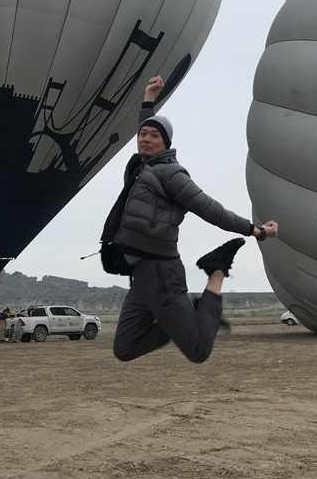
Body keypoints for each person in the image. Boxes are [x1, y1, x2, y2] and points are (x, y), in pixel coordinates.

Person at [104, 75, 278, 365]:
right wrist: (149, 96)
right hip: (141, 276)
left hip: (162, 273)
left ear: (166, 143)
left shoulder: (171, 173)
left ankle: (216, 272)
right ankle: (184, 316)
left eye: (154, 136)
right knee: (124, 348)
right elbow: (148, 123)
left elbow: (209, 208)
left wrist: (256, 230)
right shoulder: (141, 166)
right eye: (142, 134)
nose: (145, 138)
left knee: (198, 350)